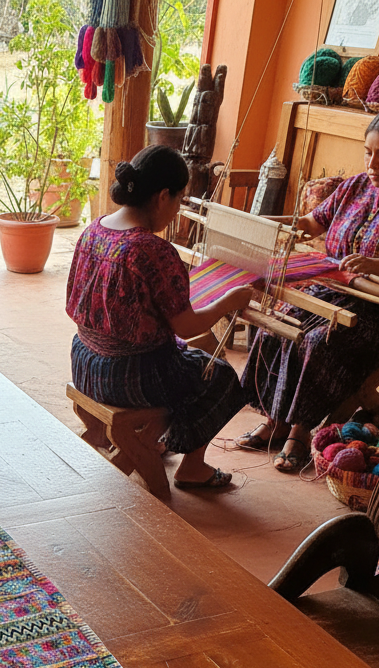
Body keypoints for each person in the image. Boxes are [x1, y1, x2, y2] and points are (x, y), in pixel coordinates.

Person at [238, 105, 379, 473]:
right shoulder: (354, 186)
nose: (372, 164)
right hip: (329, 290)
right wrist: (259, 225)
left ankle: (299, 433)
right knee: (276, 324)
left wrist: (373, 265)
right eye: (368, 152)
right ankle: (275, 420)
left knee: (319, 342)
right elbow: (310, 223)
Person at [65, 144, 253, 490]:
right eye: (180, 200)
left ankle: (156, 440)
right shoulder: (151, 250)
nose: (177, 210)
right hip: (129, 377)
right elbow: (188, 326)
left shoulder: (95, 230)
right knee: (219, 376)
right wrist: (230, 300)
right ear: (163, 195)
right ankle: (191, 466)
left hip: (85, 362)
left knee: (186, 360)